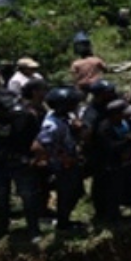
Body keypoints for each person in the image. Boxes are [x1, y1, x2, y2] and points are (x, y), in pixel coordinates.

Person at [0, 84, 46, 241]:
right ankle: (10, 230)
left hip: (16, 160)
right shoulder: (24, 114)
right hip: (11, 161)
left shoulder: (23, 116)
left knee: (23, 196)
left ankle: (29, 229)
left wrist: (36, 157)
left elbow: (36, 140)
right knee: (11, 196)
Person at [38, 86, 86, 232]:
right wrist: (64, 158)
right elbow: (44, 145)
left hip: (70, 161)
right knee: (66, 194)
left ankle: (64, 219)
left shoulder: (63, 117)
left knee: (76, 191)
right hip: (62, 165)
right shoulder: (51, 125)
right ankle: (63, 224)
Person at [90, 99, 131, 226]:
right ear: (115, 114)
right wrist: (127, 140)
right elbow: (108, 147)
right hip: (113, 166)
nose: (129, 115)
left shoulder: (126, 123)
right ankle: (113, 218)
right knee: (114, 193)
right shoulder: (104, 128)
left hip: (129, 162)